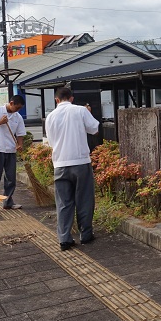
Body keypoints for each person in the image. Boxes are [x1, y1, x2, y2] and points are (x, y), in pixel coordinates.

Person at [45, 87, 100, 251]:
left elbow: (51, 142)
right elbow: (94, 129)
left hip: (60, 164)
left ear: (56, 100)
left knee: (63, 203)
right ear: (72, 98)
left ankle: (64, 239)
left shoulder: (50, 116)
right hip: (80, 162)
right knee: (84, 199)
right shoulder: (80, 110)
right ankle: (86, 235)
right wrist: (88, 112)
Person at [0, 95, 27, 215]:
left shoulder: (18, 117)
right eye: (17, 108)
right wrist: (0, 122)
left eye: (20, 108)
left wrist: (20, 144)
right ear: (11, 103)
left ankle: (8, 202)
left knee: (11, 178)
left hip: (11, 150)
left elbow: (20, 133)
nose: (18, 110)